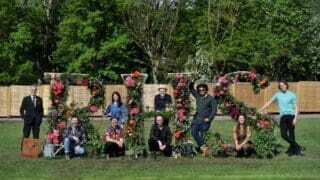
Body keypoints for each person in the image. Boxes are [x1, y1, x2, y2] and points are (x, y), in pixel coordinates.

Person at [260, 80, 303, 156]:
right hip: (283, 117)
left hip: (291, 116)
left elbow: (296, 107)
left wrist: (295, 118)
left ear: (286, 85)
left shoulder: (292, 95)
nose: (282, 86)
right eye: (281, 86)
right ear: (279, 87)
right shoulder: (277, 95)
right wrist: (261, 109)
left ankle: (293, 151)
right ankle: (298, 147)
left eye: (283, 85)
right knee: (283, 134)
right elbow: (269, 102)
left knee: (292, 135)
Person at [189, 81, 217, 155]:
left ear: (206, 90)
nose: (201, 91)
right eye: (199, 90)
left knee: (203, 135)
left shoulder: (211, 99)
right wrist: (193, 80)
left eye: (203, 90)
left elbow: (214, 110)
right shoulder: (198, 96)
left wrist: (209, 118)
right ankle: (203, 146)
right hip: (196, 119)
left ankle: (203, 149)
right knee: (193, 132)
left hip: (205, 121)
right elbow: (191, 88)